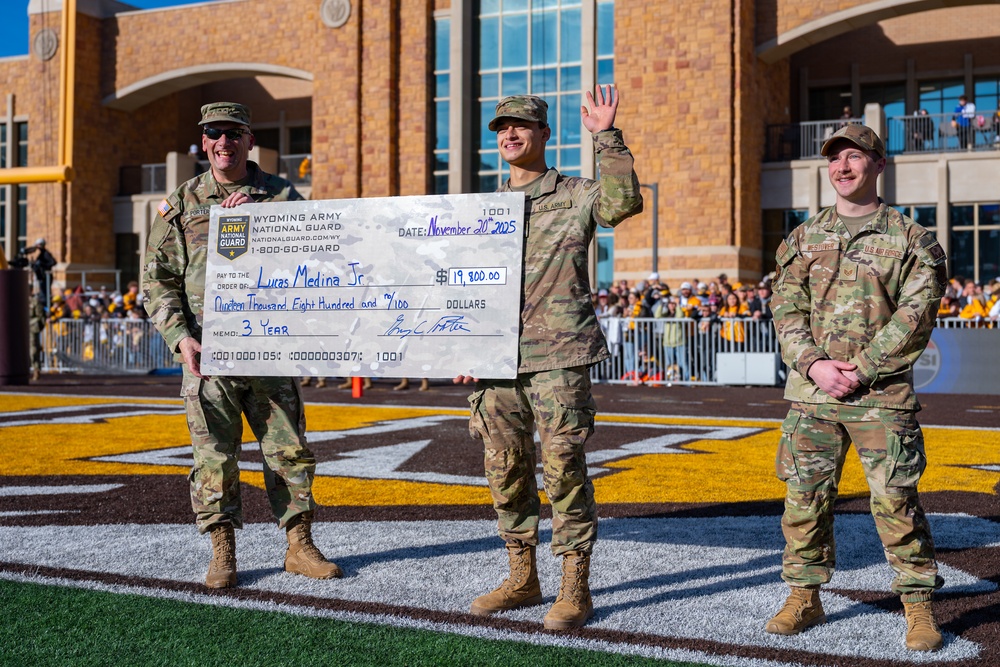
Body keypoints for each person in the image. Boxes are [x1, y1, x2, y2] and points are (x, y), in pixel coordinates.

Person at [455, 87, 642, 630]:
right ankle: (522, 576)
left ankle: (573, 586)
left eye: (520, 126)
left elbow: (622, 204)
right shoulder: (482, 209)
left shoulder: (577, 193)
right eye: (501, 128)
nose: (510, 135)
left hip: (558, 355)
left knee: (563, 471)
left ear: (543, 134)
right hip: (495, 363)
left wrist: (606, 137)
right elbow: (462, 286)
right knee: (505, 470)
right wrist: (460, 343)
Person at [143, 102, 341, 589]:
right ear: (204, 141)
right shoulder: (184, 202)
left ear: (250, 140)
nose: (224, 143)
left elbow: (323, 260)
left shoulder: (281, 197)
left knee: (289, 451)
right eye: (214, 134)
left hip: (270, 352)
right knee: (214, 457)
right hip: (207, 357)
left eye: (233, 134)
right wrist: (180, 338)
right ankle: (223, 550)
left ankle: (299, 546)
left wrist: (266, 225)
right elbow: (157, 280)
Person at [767, 124, 948, 652]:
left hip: (881, 396)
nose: (842, 168)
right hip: (812, 395)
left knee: (895, 499)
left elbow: (916, 314)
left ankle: (917, 604)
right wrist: (814, 363)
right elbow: (785, 306)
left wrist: (862, 368)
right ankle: (804, 594)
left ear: (878, 165)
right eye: (834, 160)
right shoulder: (803, 238)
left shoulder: (912, 239)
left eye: (854, 157)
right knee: (804, 499)